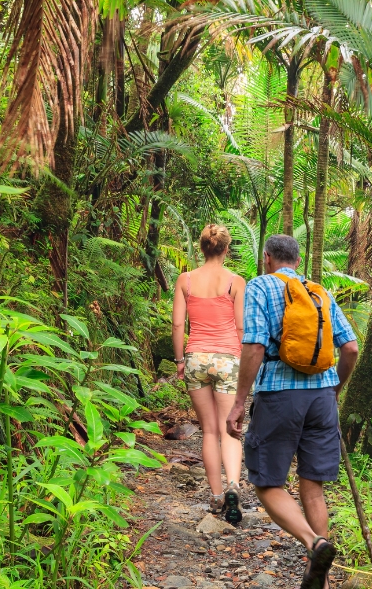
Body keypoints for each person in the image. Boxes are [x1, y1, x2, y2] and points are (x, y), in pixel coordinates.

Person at [226, 234, 359, 589]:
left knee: (268, 482)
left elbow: (254, 345)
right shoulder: (319, 292)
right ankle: (323, 583)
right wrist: (334, 391)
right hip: (321, 398)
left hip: (279, 396)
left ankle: (314, 543)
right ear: (298, 261)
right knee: (312, 487)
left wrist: (239, 401)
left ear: (267, 258)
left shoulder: (260, 287)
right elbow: (350, 348)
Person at [172, 224, 247, 523]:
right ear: (226, 249)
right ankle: (233, 484)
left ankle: (216, 497)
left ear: (201, 249)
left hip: (195, 358)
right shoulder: (235, 282)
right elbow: (241, 327)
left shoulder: (185, 280)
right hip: (228, 358)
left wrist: (180, 360)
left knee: (209, 430)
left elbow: (179, 325)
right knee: (230, 428)